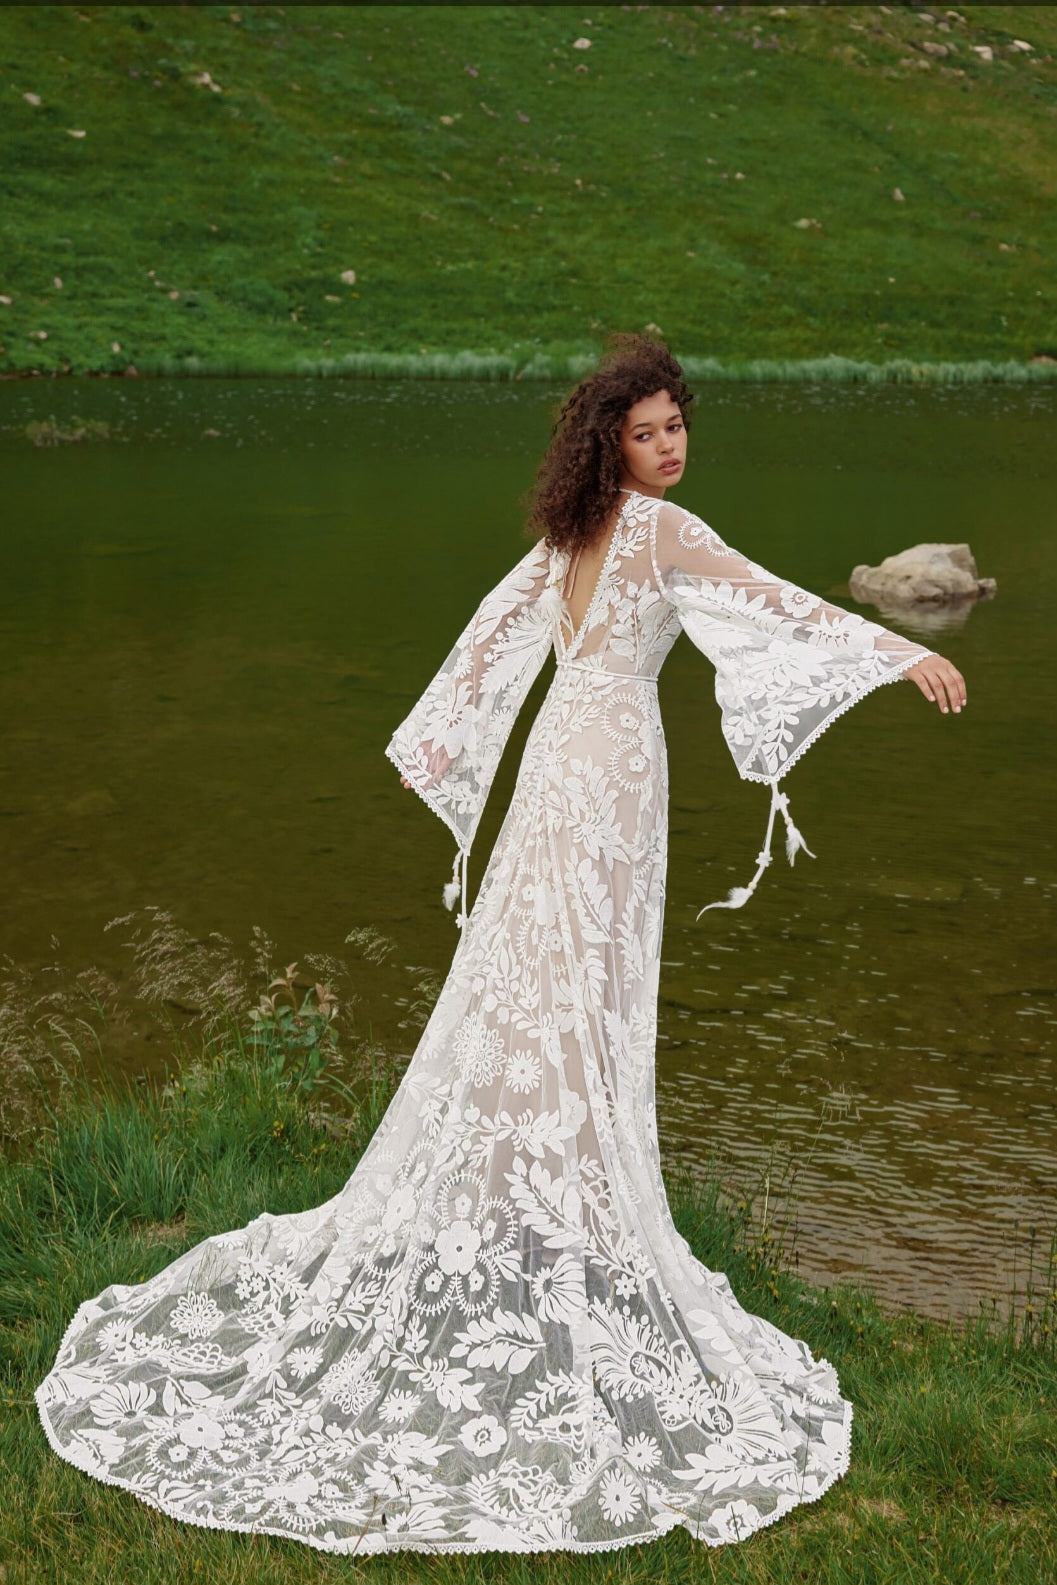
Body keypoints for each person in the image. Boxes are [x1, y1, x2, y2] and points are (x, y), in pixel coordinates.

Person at [36, 336, 965, 1556]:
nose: (671, 444)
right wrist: (904, 649)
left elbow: (486, 647)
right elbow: (776, 603)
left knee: (542, 980)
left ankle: (551, 1199)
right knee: (583, 984)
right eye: (647, 431)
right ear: (608, 446)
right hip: (617, 774)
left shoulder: (567, 536)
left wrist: (439, 753)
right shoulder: (661, 534)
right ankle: (576, 1212)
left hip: (551, 770)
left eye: (678, 423)